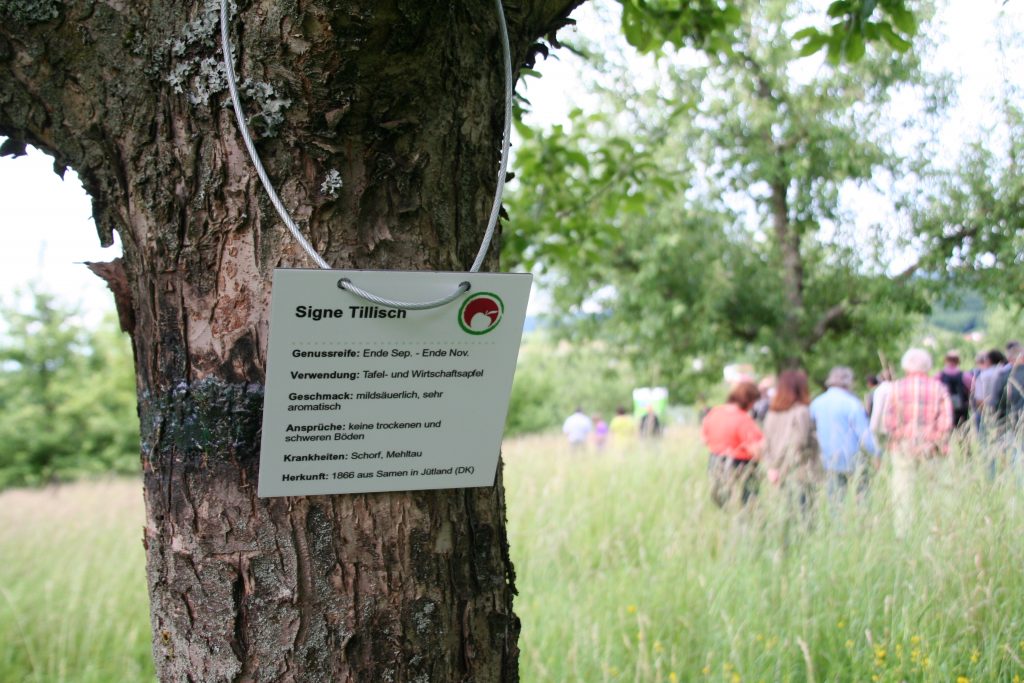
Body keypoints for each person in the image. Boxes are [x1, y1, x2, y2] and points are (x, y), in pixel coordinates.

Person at [884, 348, 953, 536]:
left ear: (906, 366)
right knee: (934, 490)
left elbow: (889, 422)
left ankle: (903, 533)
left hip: (903, 446)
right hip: (932, 448)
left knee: (903, 490)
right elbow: (946, 422)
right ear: (928, 366)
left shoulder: (896, 388)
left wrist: (902, 436)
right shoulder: (939, 388)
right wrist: (933, 439)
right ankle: (933, 532)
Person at [809, 366, 878, 503]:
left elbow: (811, 430)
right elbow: (864, 435)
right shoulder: (852, 403)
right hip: (851, 458)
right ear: (849, 382)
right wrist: (876, 453)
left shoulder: (816, 403)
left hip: (826, 458)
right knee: (862, 497)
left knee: (834, 499)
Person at [762, 369, 822, 518]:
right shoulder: (802, 411)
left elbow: (766, 444)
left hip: (778, 474)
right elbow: (798, 443)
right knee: (805, 518)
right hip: (800, 473)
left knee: (787, 515)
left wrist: (772, 468)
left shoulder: (771, 413)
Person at [701, 382, 764, 507]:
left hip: (715, 460)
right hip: (741, 464)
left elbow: (704, 439)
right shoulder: (743, 419)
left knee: (722, 502)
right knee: (749, 503)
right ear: (748, 400)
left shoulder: (714, 412)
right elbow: (756, 450)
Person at [936, 350, 970, 428]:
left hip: (944, 408)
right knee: (962, 431)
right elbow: (972, 390)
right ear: (958, 361)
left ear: (945, 360)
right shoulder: (965, 376)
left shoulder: (938, 376)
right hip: (962, 408)